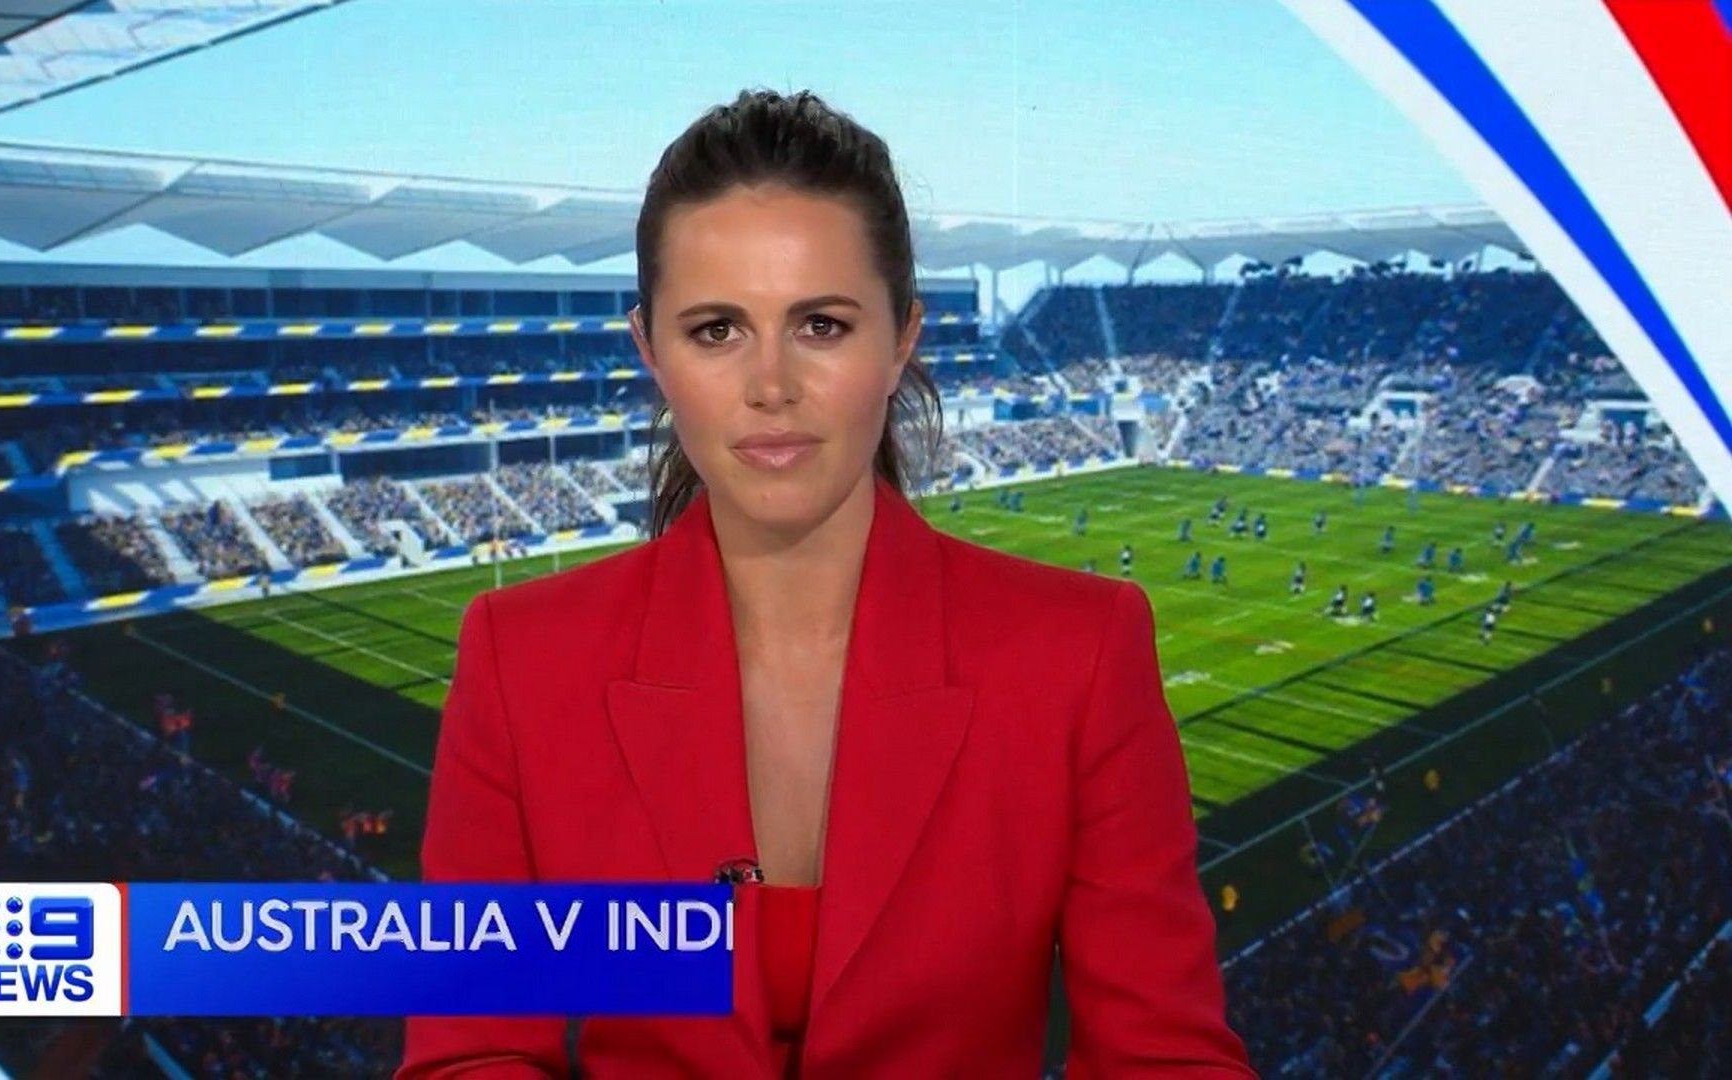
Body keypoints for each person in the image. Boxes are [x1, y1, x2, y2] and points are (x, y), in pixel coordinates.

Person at [400, 90, 1253, 1080]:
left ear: (902, 341)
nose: (771, 385)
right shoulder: (520, 659)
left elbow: (1164, 1057)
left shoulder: (1079, 652)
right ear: (650, 352)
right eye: (716, 330)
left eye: (821, 324)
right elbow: (471, 1051)